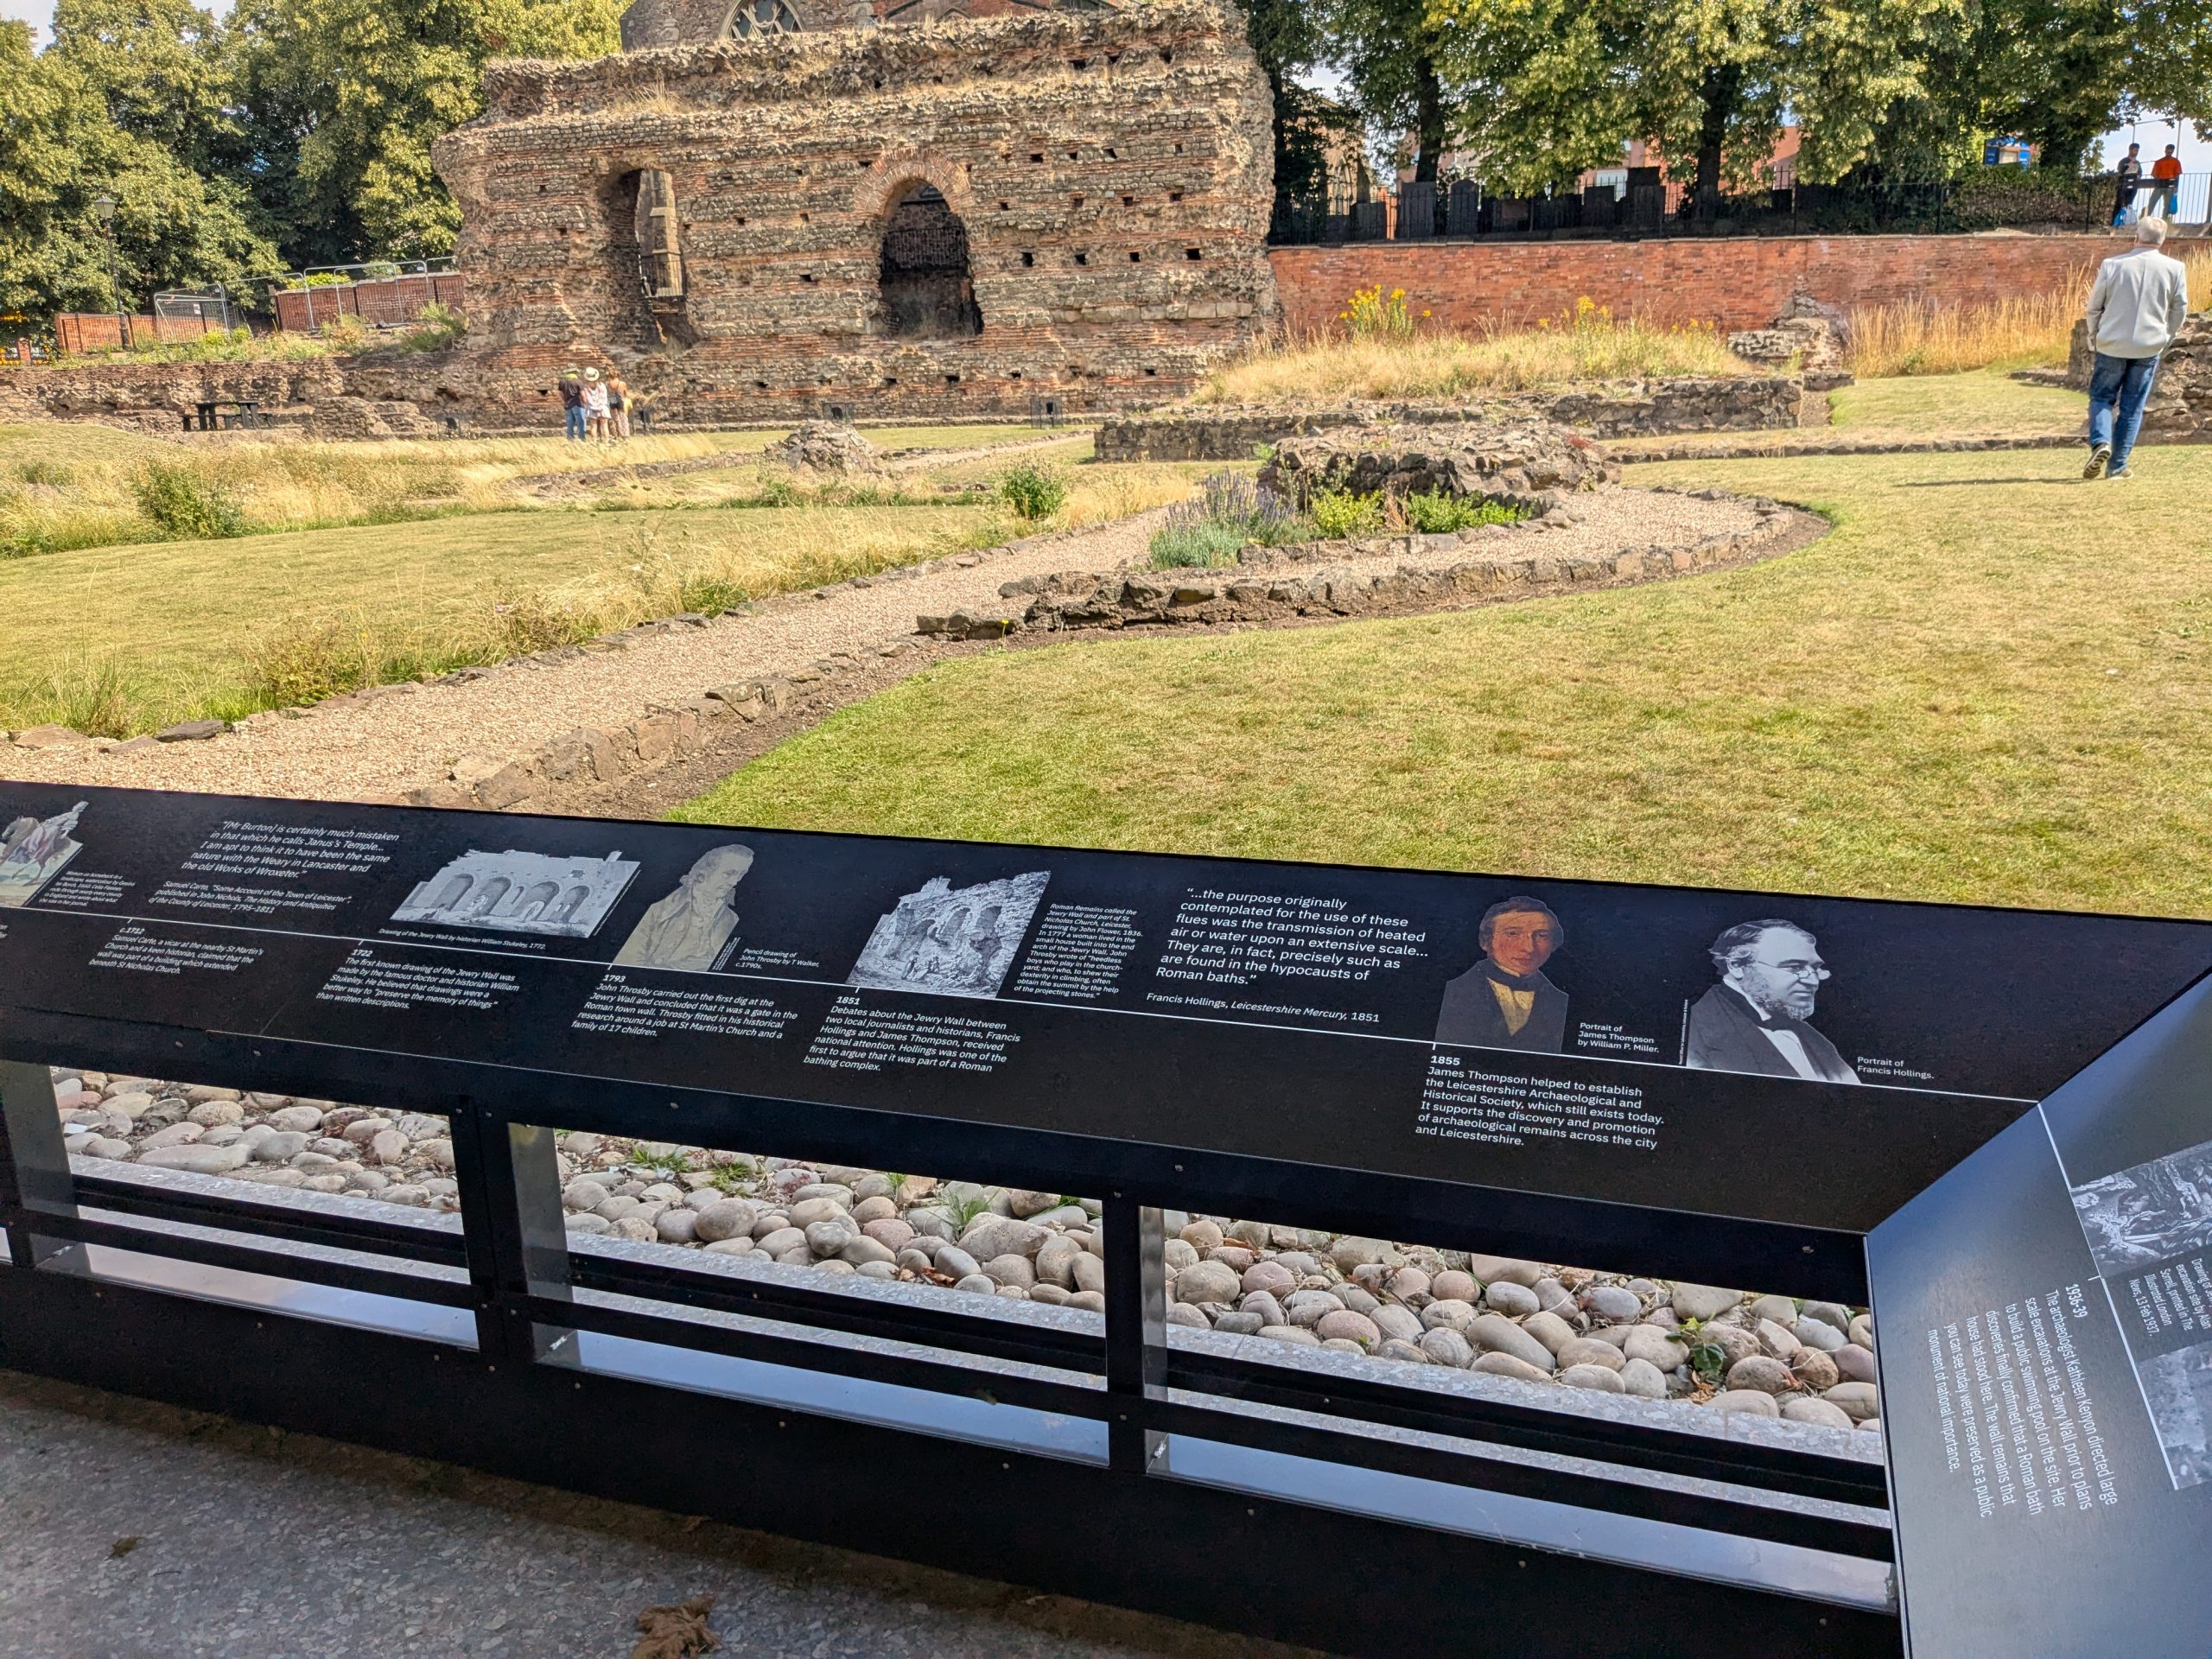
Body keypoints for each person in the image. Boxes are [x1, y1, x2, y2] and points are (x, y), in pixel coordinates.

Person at [1685, 919, 1859, 1084]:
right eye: (1795, 967)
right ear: (1737, 966)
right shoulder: (1696, 1030)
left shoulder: (1817, 1040)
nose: (1813, 981)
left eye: (1815, 969)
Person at [2083, 217, 2190, 480]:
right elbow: (2180, 309)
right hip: (2149, 344)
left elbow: (2094, 306)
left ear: (2136, 236)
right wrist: (2168, 335)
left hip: (2112, 342)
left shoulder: (2113, 265)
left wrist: (2093, 334)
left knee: (2102, 397)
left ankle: (2101, 442)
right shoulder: (2175, 268)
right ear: (2162, 241)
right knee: (2132, 406)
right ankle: (2117, 466)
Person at [1433, 896, 1569, 1052]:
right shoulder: (1451, 992)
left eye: (1541, 935)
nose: (1528, 948)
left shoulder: (1560, 1001)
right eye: (1512, 933)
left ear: (1553, 943)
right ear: (1486, 941)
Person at [613, 844, 754, 970]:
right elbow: (627, 963)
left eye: (741, 875)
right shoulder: (661, 908)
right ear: (704, 873)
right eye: (729, 873)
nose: (735, 882)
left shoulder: (730, 918)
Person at [2113, 143, 2144, 227]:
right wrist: (2129, 165)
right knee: (2119, 203)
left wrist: (2139, 176)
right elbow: (2120, 171)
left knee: (2129, 204)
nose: (2136, 152)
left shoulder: (2137, 163)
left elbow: (2140, 172)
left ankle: (2125, 222)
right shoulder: (2123, 161)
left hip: (2133, 186)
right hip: (2123, 185)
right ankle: (2115, 222)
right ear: (2130, 150)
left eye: (2137, 151)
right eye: (2135, 150)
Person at [2152, 144, 2184, 220]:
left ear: (2172, 151)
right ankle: (2147, 216)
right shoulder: (2159, 162)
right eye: (2168, 151)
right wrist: (2158, 181)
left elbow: (2177, 175)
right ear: (2165, 150)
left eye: (2170, 152)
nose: (2169, 153)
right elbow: (2154, 174)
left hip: (2169, 186)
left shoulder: (2175, 162)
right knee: (2152, 202)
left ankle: (2164, 220)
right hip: (2160, 185)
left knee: (2167, 205)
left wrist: (2176, 186)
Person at [582, 367, 612, 442]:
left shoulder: (586, 387)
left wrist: (594, 407)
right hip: (603, 407)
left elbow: (588, 400)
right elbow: (603, 398)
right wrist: (599, 406)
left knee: (593, 427)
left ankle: (594, 442)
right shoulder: (602, 385)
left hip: (592, 409)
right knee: (605, 426)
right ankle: (606, 441)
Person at [557, 369, 586, 442]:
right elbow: (583, 395)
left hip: (567, 405)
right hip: (577, 404)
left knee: (570, 423)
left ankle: (570, 439)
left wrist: (563, 401)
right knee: (581, 422)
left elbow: (558, 393)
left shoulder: (562, 382)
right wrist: (585, 403)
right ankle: (581, 438)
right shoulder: (578, 381)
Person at [607, 372, 632, 440]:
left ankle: (615, 434)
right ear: (618, 375)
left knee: (614, 419)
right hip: (620, 403)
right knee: (622, 419)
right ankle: (624, 435)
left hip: (612, 403)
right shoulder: (622, 383)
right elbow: (625, 394)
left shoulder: (608, 384)